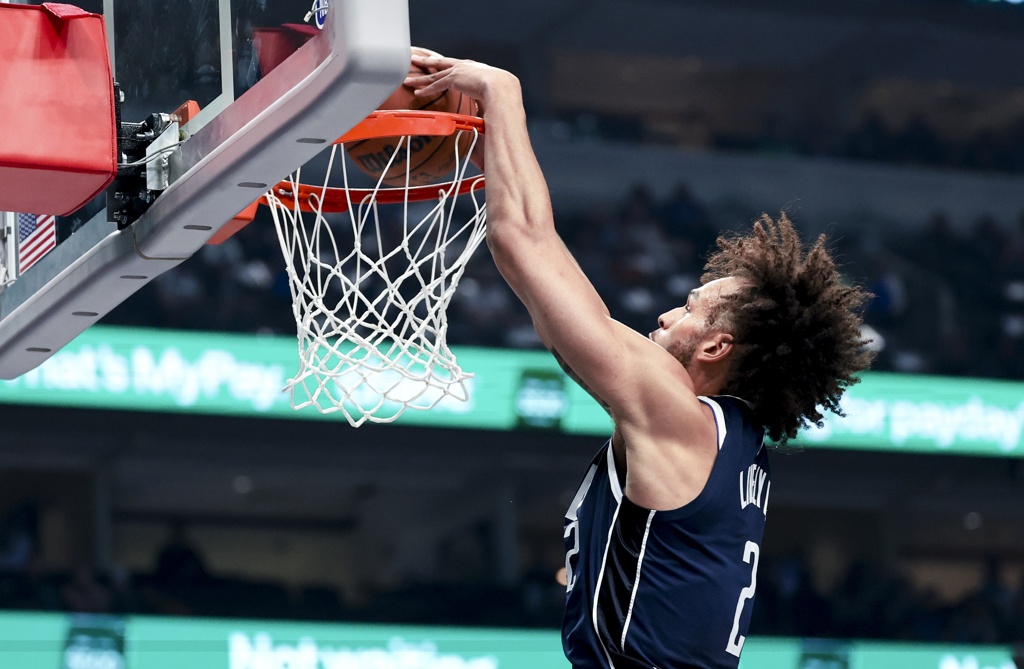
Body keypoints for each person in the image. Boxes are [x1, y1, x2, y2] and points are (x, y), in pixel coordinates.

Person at [407, 53, 874, 669]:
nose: (665, 315)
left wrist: (503, 91)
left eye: (689, 308)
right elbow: (559, 322)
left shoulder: (683, 420)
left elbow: (523, 242)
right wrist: (497, 151)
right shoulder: (725, 442)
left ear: (715, 347)